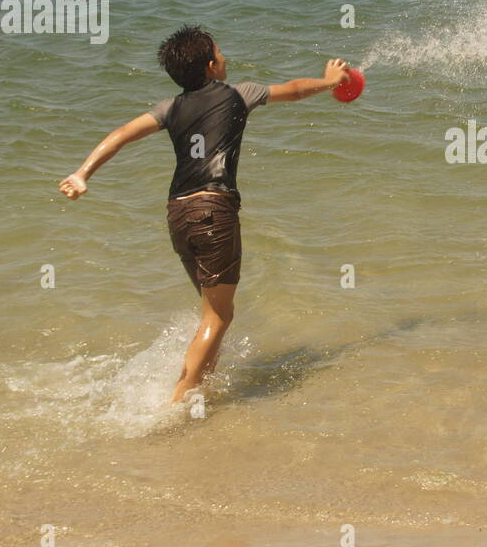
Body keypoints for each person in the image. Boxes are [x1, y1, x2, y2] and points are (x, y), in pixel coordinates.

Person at [57, 25, 350, 402]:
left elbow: (121, 133)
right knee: (219, 317)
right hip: (213, 210)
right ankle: (179, 402)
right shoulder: (238, 94)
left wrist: (82, 173)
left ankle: (196, 387)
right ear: (212, 65)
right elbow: (293, 90)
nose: (225, 56)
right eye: (220, 51)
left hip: (178, 213)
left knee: (212, 311)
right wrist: (329, 81)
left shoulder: (169, 108)